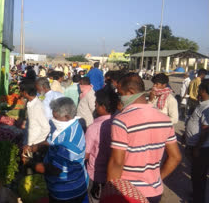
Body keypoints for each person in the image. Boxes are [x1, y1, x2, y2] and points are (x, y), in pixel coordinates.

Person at [107, 73, 181, 203]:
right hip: (154, 191)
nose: (119, 98)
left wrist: (109, 193)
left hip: (128, 193)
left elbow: (117, 163)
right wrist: (157, 178)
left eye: (120, 94)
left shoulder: (122, 121)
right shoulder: (164, 120)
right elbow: (175, 157)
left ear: (130, 92)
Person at [23, 97, 89, 202]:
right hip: (60, 186)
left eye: (56, 117)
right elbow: (50, 142)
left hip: (67, 192)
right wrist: (33, 148)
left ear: (67, 116)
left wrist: (29, 162)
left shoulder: (70, 141)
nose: (53, 120)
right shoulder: (64, 126)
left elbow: (54, 170)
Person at [85, 89, 119, 203]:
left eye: (96, 105)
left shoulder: (93, 128)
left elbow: (85, 154)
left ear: (103, 107)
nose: (95, 107)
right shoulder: (120, 123)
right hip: (115, 176)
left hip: (96, 176)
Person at [185, 79, 209, 203]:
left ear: (204, 90)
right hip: (196, 145)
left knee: (198, 176)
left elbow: (206, 130)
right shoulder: (202, 103)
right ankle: (196, 195)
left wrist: (197, 148)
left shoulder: (208, 106)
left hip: (201, 148)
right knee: (197, 175)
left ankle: (198, 199)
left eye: (200, 89)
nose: (198, 91)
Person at [19, 80, 50, 148]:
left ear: (25, 92)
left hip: (33, 143)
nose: (19, 93)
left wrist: (35, 144)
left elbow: (46, 128)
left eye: (20, 91)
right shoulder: (31, 104)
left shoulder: (36, 106)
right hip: (29, 142)